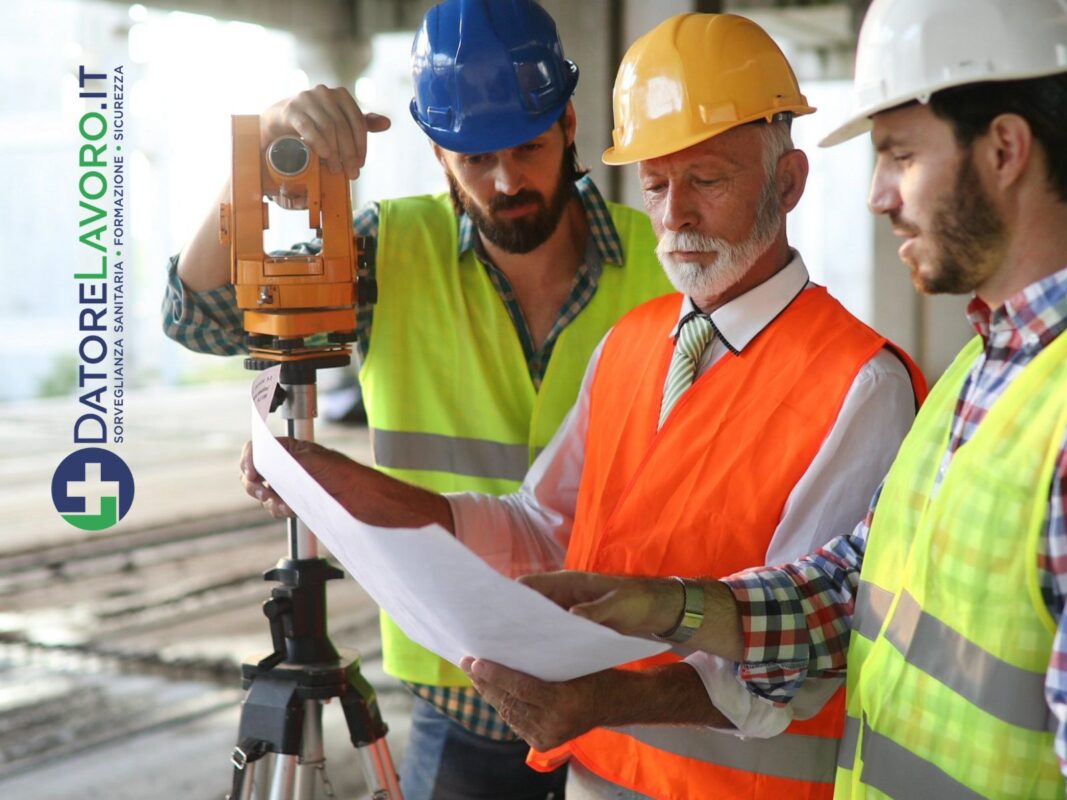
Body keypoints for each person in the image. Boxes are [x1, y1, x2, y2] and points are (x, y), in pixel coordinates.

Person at [242, 13, 926, 799]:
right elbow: (542, 530)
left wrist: (605, 701)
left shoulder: (858, 382)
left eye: (706, 180)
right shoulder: (632, 344)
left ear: (788, 183)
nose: (674, 218)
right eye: (657, 184)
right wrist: (336, 483)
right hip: (595, 778)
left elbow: (810, 648)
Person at [518, 0, 1067, 796]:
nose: (877, 195)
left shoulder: (1024, 404)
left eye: (899, 155)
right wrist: (665, 606)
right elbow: (849, 586)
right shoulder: (977, 372)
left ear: (1005, 150)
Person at [162, 0, 675, 796]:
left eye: (528, 148)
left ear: (569, 124)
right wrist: (266, 141)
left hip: (628, 684)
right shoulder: (383, 252)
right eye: (474, 159)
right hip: (458, 688)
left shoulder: (665, 267)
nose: (506, 182)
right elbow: (196, 317)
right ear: (437, 151)